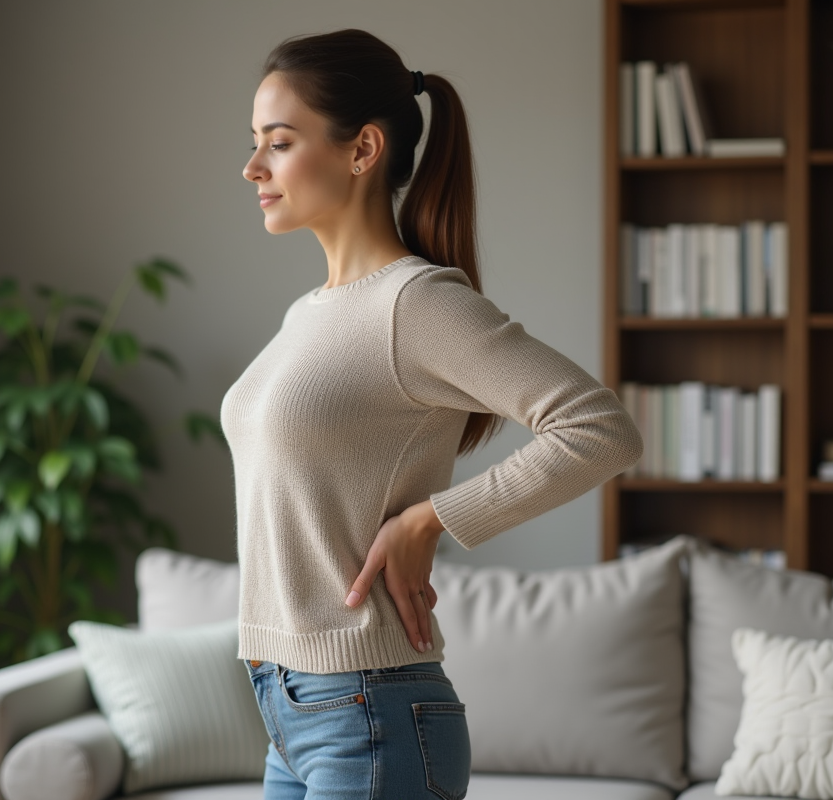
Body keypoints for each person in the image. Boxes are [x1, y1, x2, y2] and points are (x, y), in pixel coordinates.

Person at [221, 28, 643, 800]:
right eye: (257, 144)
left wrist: (430, 520)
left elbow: (600, 428)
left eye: (278, 144)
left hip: (365, 711)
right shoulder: (307, 315)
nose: (253, 167)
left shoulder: (415, 303)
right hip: (289, 708)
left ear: (362, 149)